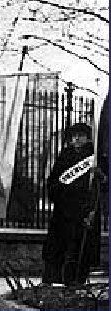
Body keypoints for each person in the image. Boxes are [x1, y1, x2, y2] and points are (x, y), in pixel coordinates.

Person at [42, 122, 107, 285]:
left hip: (84, 210)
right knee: (57, 247)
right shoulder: (64, 156)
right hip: (63, 210)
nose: (76, 139)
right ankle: (51, 279)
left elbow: (104, 186)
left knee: (80, 248)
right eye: (73, 136)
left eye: (80, 136)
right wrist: (58, 192)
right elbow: (53, 180)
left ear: (88, 138)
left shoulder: (97, 157)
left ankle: (76, 281)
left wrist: (101, 176)